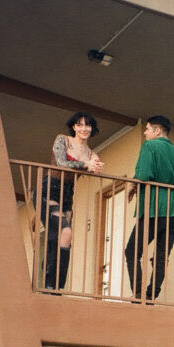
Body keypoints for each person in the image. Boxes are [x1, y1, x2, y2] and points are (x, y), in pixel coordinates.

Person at [125, 115, 174, 302]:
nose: (144, 133)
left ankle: (139, 293)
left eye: (147, 129)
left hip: (153, 208)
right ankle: (152, 294)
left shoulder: (149, 147)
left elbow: (143, 175)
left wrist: (134, 185)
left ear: (157, 131)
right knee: (161, 255)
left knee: (132, 252)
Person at [39, 112, 103, 290]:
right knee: (64, 232)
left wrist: (96, 166)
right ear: (74, 127)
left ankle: (57, 286)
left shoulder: (91, 153)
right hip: (49, 189)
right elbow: (61, 162)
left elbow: (94, 167)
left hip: (67, 194)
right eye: (80, 125)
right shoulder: (63, 140)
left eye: (88, 125)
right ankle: (50, 285)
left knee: (61, 239)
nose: (84, 128)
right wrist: (85, 165)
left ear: (92, 128)